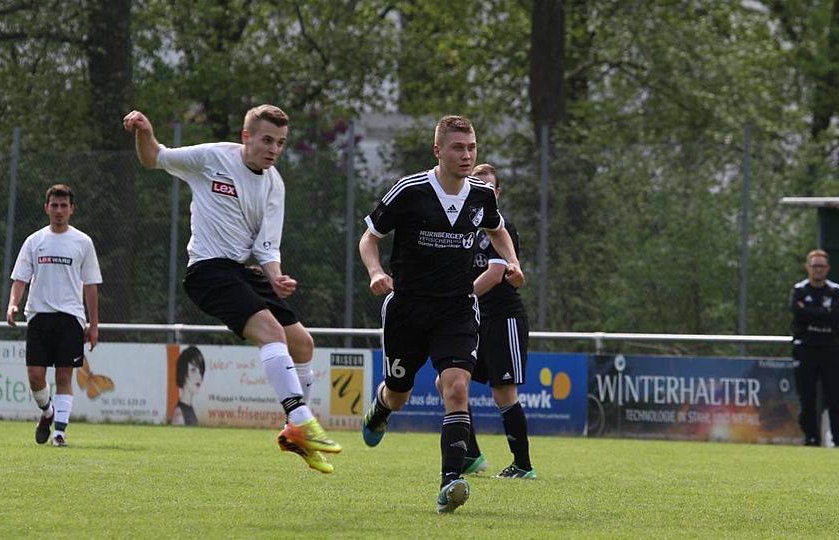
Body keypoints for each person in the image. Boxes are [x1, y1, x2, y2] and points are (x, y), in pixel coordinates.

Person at [123, 105, 340, 474]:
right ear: (246, 137)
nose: (273, 149)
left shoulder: (274, 185)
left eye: (281, 143)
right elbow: (154, 157)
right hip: (207, 271)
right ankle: (301, 420)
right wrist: (145, 131)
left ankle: (294, 434)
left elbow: (266, 247)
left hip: (242, 271)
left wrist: (276, 276)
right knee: (272, 333)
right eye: (267, 140)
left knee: (302, 343)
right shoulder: (212, 158)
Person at [359, 116, 525, 513]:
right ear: (438, 150)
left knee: (457, 388)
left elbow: (497, 228)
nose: (466, 155)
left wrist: (513, 261)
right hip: (408, 309)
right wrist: (377, 272)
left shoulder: (482, 195)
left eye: (471, 148)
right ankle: (381, 407)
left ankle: (450, 480)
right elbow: (369, 238)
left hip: (457, 308)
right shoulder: (409, 190)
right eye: (457, 147)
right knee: (399, 395)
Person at [435, 163, 535, 479]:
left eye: (489, 187)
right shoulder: (464, 230)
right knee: (446, 382)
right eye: (477, 184)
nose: (483, 191)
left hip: (504, 319)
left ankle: (523, 465)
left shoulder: (503, 228)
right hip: (477, 320)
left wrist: (457, 299)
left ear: (497, 193)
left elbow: (494, 274)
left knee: (503, 392)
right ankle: (471, 455)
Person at [6, 184, 102, 448]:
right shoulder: (34, 241)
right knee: (35, 376)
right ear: (46, 208)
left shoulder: (83, 242)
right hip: (39, 315)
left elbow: (91, 285)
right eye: (55, 205)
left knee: (63, 377)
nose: (59, 210)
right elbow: (20, 278)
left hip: (70, 317)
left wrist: (94, 325)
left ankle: (59, 433)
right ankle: (48, 413)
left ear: (72, 209)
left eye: (64, 206)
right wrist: (13, 304)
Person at [790, 249, 839, 447]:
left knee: (835, 397)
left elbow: (837, 316)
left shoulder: (836, 291)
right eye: (814, 266)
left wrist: (812, 313)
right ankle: (811, 438)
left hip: (830, 348)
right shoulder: (799, 290)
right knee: (807, 397)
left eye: (821, 266)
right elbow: (798, 314)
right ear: (807, 268)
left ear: (828, 268)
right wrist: (823, 313)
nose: (818, 270)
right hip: (806, 348)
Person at [172, 345, 206, 426]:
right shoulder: (180, 415)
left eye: (200, 371)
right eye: (193, 370)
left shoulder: (189, 408)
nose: (199, 377)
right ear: (183, 374)